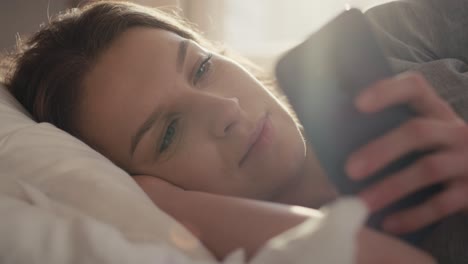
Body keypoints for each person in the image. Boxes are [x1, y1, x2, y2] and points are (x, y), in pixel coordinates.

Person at [0, 0, 466, 262]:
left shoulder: (378, 48)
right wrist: (170, 205)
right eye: (167, 134)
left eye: (202, 68)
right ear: (139, 184)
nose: (223, 108)